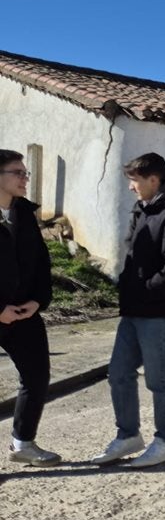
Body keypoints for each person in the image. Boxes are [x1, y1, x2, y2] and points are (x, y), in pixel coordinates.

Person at [92, 152, 165, 468]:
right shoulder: (145, 208)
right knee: (118, 373)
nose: (131, 187)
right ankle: (128, 435)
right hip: (134, 308)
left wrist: (145, 291)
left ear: (153, 180)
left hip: (160, 310)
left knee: (160, 377)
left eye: (135, 180)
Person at [1, 149, 60, 466]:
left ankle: (23, 443)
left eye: (25, 172)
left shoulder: (23, 214)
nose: (25, 178)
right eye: (17, 172)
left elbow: (41, 263)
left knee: (37, 375)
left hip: (25, 312)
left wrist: (38, 300)